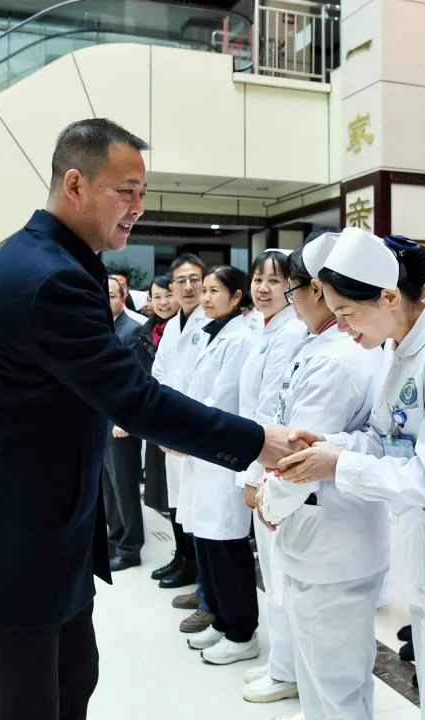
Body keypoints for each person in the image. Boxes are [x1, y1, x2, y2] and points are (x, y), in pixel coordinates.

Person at [0, 118, 300, 720]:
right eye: (127, 191)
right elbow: (135, 399)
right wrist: (257, 441)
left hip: (44, 535)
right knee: (28, 705)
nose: (139, 207)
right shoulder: (48, 278)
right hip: (11, 547)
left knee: (72, 683)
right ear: (75, 184)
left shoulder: (61, 260)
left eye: (143, 192)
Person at [277, 228, 425, 720]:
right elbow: (385, 438)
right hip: (423, 543)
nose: (342, 328)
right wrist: (332, 445)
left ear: (389, 297)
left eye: (347, 314)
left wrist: (340, 464)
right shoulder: (400, 347)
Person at [257, 234, 387, 720]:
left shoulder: (337, 358)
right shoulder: (320, 346)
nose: (290, 302)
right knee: (323, 672)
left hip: (333, 536)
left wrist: (270, 502)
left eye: (292, 291)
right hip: (321, 534)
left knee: (335, 680)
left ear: (318, 290)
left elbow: (302, 452)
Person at [177, 266, 263, 666]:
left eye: (214, 291)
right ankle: (220, 618)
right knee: (206, 542)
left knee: (226, 547)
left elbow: (223, 398)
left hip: (221, 456)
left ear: (236, 297)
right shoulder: (209, 332)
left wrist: (184, 432)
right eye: (205, 290)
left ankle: (241, 631)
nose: (206, 297)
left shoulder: (240, 338)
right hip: (201, 452)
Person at [236, 249, 308, 704]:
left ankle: (288, 671)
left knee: (280, 575)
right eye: (258, 279)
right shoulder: (264, 328)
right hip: (260, 460)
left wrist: (252, 473)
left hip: (269, 465)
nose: (263, 288)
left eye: (274, 280)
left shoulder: (290, 334)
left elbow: (271, 411)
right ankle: (282, 663)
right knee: (273, 573)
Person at [150, 254, 215, 634]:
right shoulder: (173, 326)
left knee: (208, 522)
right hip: (174, 435)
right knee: (183, 512)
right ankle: (194, 576)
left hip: (197, 438)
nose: (189, 287)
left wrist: (182, 431)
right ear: (172, 287)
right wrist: (164, 427)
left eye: (195, 279)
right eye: (182, 281)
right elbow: (159, 375)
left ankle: (210, 595)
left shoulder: (213, 324)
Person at [103, 276, 146, 571]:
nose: (105, 301)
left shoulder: (133, 330)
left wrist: (126, 419)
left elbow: (136, 380)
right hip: (100, 420)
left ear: (123, 297)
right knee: (108, 486)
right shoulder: (100, 328)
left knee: (125, 486)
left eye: (111, 295)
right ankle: (115, 538)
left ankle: (131, 548)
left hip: (121, 422)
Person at [131, 275, 179, 516]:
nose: (163, 302)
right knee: (161, 485)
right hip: (154, 411)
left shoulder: (185, 327)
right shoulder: (144, 332)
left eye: (168, 295)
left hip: (177, 410)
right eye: (157, 297)